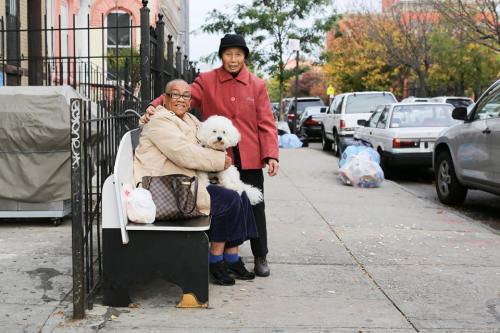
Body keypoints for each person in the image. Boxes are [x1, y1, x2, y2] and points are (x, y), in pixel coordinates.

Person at [142, 34, 279, 277]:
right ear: (221, 56)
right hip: (215, 154)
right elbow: (180, 96)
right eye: (228, 54)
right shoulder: (207, 80)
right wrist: (155, 106)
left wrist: (271, 154)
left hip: (249, 154)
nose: (233, 59)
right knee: (224, 203)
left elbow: (266, 122)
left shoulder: (257, 85)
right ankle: (225, 256)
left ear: (244, 56)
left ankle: (261, 255)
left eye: (238, 54)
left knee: (255, 204)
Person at [134, 79, 258, 286]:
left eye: (186, 95)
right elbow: (184, 154)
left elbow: (213, 138)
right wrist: (220, 161)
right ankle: (216, 260)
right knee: (228, 199)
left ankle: (232, 258)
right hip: (166, 187)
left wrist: (221, 157)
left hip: (185, 182)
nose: (181, 99)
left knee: (240, 195)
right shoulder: (159, 122)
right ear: (164, 98)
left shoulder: (190, 120)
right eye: (175, 94)